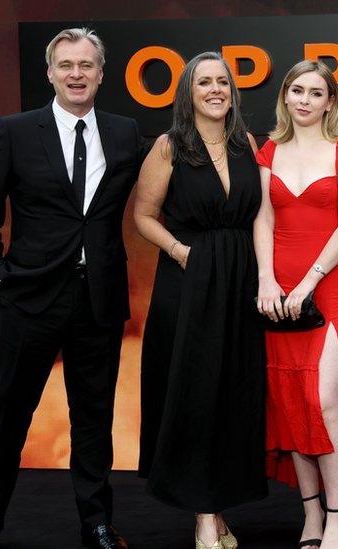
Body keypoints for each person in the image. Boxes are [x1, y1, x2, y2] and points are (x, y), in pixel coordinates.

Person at [0, 27, 144, 549]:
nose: (76, 75)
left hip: (98, 298)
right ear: (50, 73)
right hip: (30, 298)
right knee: (11, 414)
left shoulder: (126, 132)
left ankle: (97, 524)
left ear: (101, 74)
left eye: (86, 66)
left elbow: (186, 153)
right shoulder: (15, 130)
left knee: (93, 418)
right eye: (66, 66)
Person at [134, 51, 266, 549]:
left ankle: (218, 506)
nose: (215, 90)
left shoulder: (245, 142)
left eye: (223, 82)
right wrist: (181, 252)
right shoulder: (169, 146)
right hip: (189, 281)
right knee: (196, 393)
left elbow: (257, 215)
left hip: (240, 279)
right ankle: (205, 516)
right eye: (204, 82)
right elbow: (143, 217)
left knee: (233, 392)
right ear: (187, 92)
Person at [253, 60, 338, 549]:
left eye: (315, 93)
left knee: (323, 401)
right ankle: (311, 518)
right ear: (285, 96)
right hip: (276, 287)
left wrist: (307, 282)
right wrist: (267, 279)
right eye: (297, 91)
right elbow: (261, 220)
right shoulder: (268, 151)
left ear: (331, 101)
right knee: (291, 403)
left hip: (330, 285)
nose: (305, 100)